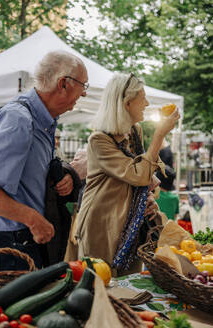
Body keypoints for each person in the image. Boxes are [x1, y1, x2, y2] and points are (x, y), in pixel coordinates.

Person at [74, 73, 180, 277]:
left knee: (129, 286)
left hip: (130, 222)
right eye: (143, 98)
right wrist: (159, 135)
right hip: (103, 222)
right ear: (127, 103)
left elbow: (143, 175)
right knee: (101, 283)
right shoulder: (99, 140)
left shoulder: (134, 131)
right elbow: (137, 174)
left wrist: (145, 197)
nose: (147, 103)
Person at [0, 50, 88, 271]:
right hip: (9, 242)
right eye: (83, 86)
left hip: (21, 238)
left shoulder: (42, 120)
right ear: (63, 83)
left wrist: (64, 174)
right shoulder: (19, 119)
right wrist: (34, 219)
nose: (84, 94)